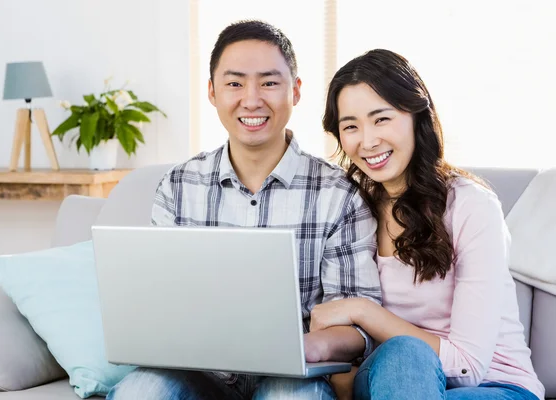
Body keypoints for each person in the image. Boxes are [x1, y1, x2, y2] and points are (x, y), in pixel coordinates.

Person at [106, 20, 381, 400]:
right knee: (142, 391)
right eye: (234, 83)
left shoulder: (340, 195)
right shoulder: (179, 185)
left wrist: (308, 347)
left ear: (295, 91)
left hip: (293, 375)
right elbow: (158, 302)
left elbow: (360, 328)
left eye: (269, 82)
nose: (251, 100)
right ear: (212, 92)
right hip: (198, 371)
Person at [311, 48, 545, 400]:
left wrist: (363, 311)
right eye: (351, 126)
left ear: (416, 116)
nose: (368, 140)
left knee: (407, 354)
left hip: (493, 388)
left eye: (381, 118)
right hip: (390, 384)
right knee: (400, 360)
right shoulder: (349, 207)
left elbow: (467, 367)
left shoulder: (470, 205)